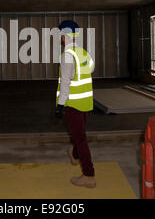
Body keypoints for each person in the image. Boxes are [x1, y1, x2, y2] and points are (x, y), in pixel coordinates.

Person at [55, 20, 96, 188]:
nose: (60, 38)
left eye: (61, 35)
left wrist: (60, 105)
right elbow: (91, 69)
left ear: (64, 36)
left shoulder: (67, 55)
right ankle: (74, 154)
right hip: (86, 102)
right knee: (80, 135)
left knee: (80, 139)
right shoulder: (83, 53)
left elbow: (65, 83)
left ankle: (88, 175)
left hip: (73, 104)